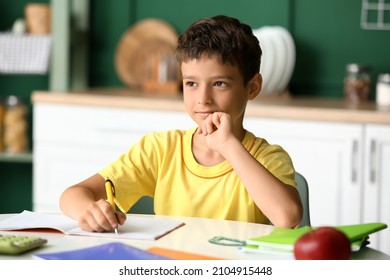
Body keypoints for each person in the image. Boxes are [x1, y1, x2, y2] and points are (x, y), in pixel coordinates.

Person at [59, 15, 303, 232]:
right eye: (191, 83)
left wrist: (228, 145)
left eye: (219, 84)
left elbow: (288, 217)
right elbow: (73, 195)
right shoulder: (160, 149)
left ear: (252, 87)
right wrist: (88, 211)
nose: (203, 99)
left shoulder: (268, 157)